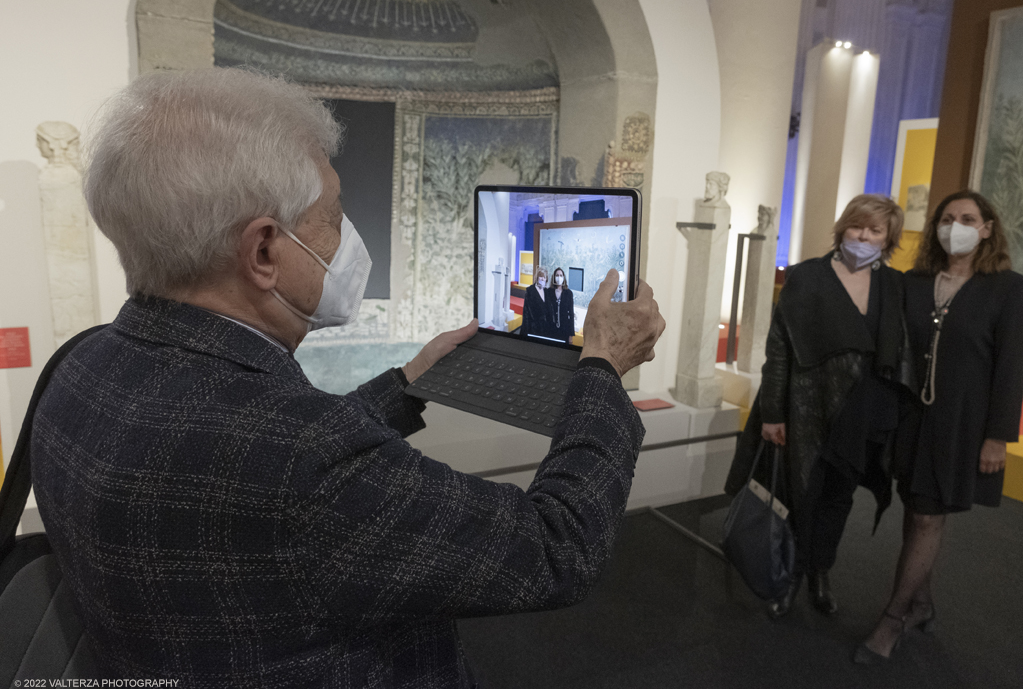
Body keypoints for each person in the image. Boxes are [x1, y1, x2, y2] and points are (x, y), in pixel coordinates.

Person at [30, 68, 665, 688]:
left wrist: (408, 380)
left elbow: (266, 463)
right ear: (263, 252)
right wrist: (603, 369)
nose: (346, 237)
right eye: (333, 216)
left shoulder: (80, 364)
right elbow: (556, 550)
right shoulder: (301, 459)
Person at [855, 190, 1023, 663]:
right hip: (913, 419)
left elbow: (1010, 369)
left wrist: (998, 437)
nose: (956, 225)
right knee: (916, 512)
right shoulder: (914, 283)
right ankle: (923, 603)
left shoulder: (1011, 289)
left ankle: (892, 619)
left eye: (968, 218)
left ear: (988, 228)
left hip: (963, 425)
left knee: (931, 516)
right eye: (948, 218)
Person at [725, 194, 912, 619]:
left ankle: (820, 572)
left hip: (860, 412)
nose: (863, 236)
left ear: (888, 239)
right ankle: (788, 574)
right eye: (856, 226)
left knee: (837, 498)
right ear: (842, 227)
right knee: (797, 493)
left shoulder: (893, 285)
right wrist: (773, 413)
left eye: (875, 230)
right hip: (805, 409)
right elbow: (779, 352)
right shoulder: (807, 277)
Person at [520, 265, 552, 338]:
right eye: (541, 276)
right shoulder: (530, 291)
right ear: (537, 277)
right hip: (533, 329)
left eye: (544, 277)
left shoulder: (547, 292)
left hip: (545, 330)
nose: (542, 279)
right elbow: (526, 313)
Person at [547, 267, 576, 344]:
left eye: (561, 275)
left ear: (563, 277)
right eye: (557, 275)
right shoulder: (548, 292)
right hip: (551, 330)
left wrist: (571, 335)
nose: (559, 277)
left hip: (564, 330)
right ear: (554, 277)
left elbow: (571, 314)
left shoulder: (569, 293)